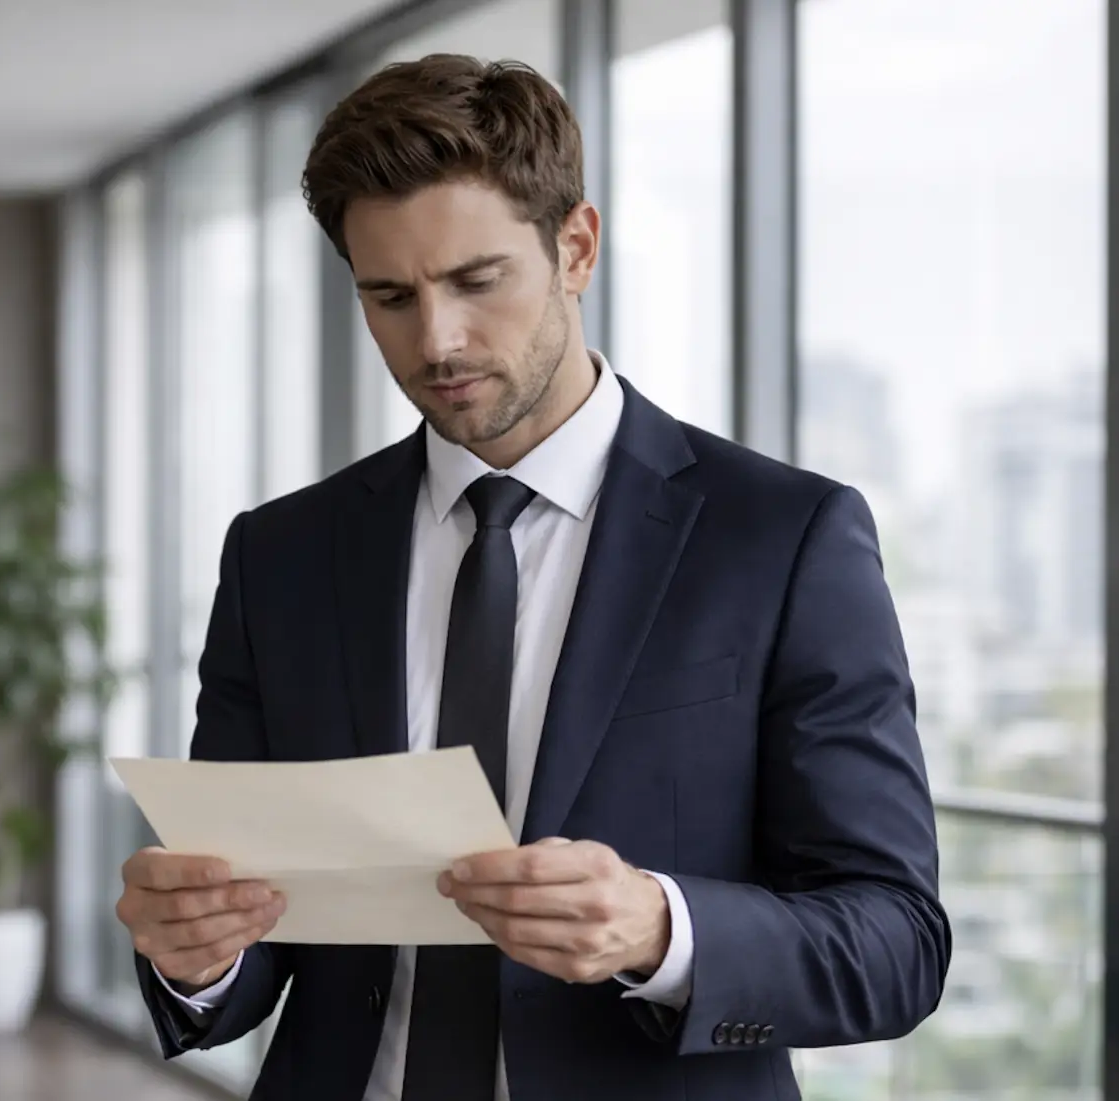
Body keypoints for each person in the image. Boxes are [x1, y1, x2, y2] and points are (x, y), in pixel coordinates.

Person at [113, 53, 949, 1101]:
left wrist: (659, 928)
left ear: (575, 248)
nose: (437, 341)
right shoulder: (279, 556)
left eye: (475, 281)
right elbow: (252, 947)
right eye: (388, 297)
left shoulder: (779, 538)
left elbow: (895, 942)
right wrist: (199, 953)